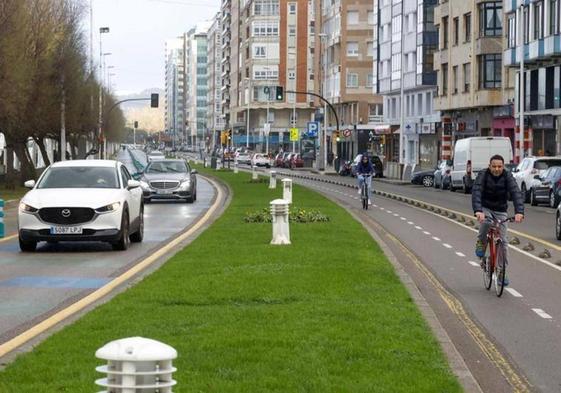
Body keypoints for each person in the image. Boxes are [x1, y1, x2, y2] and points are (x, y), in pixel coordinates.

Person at [472, 154, 524, 285]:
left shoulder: (507, 176)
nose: (496, 169)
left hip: (501, 210)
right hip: (485, 207)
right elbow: (477, 191)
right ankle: (481, 242)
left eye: (499, 166)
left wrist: (519, 212)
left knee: (504, 242)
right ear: (489, 166)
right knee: (487, 222)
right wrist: (478, 211)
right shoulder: (483, 175)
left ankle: (501, 272)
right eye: (494, 166)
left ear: (503, 166)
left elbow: (516, 193)